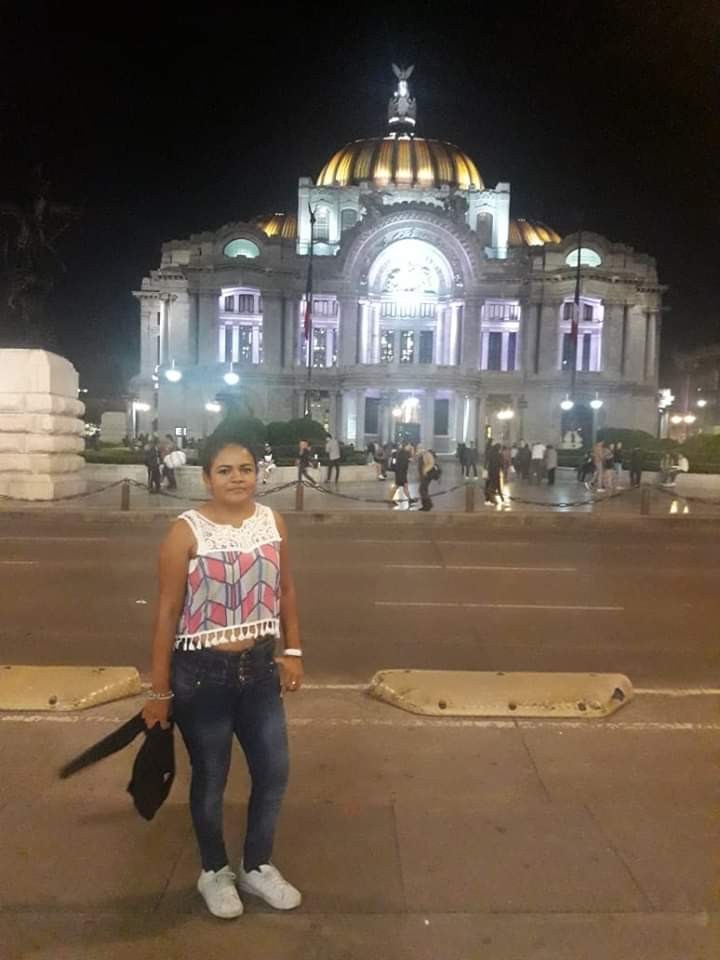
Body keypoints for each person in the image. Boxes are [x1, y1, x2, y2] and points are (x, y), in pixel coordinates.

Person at [141, 423, 304, 920]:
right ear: (207, 478)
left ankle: (257, 865)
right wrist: (159, 691)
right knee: (211, 778)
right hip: (201, 675)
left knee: (273, 771)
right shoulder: (185, 532)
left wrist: (293, 650)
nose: (237, 478)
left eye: (246, 469)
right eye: (225, 470)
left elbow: (285, 590)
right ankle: (214, 870)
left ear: (258, 473)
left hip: (259, 671)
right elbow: (168, 612)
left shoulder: (273, 522)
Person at [390, 442, 411, 507]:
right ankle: (390, 499)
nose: (409, 447)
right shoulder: (405, 453)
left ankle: (410, 499)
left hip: (399, 471)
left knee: (404, 486)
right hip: (401, 472)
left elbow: (394, 461)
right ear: (405, 446)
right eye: (409, 446)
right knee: (399, 485)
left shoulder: (398, 452)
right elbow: (404, 463)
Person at [417, 445, 437, 512]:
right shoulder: (421, 455)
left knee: (422, 490)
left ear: (423, 448)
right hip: (423, 475)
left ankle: (428, 505)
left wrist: (425, 470)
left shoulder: (427, 454)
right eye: (418, 448)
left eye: (419, 448)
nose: (418, 449)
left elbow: (432, 463)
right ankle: (426, 505)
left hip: (427, 475)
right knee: (424, 490)